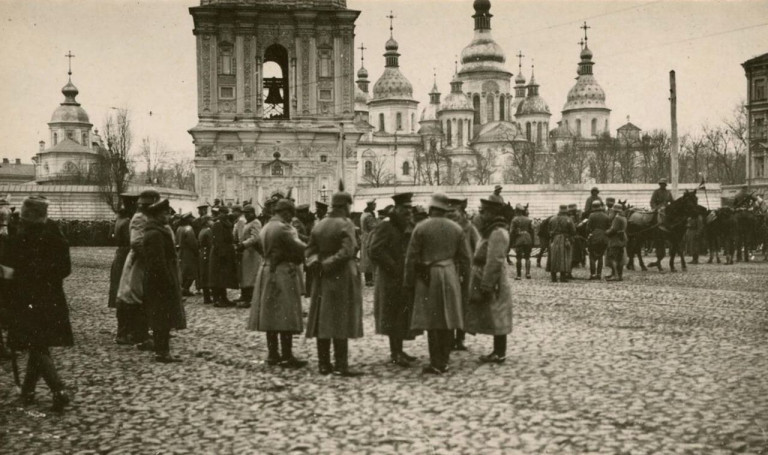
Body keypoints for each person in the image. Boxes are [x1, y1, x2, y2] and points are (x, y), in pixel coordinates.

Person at [1, 196, 73, 410]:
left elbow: (11, 272)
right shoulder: (56, 234)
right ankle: (28, 390)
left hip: (26, 300)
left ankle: (59, 390)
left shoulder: (21, 238)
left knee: (37, 344)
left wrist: (12, 274)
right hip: (52, 299)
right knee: (38, 344)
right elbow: (65, 269)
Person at [404, 193, 471, 375]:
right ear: (445, 209)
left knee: (432, 320)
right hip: (450, 274)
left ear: (431, 209)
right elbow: (466, 259)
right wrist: (466, 283)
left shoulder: (421, 227)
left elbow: (411, 257)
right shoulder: (456, 228)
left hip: (428, 276)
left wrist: (409, 282)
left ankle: (435, 361)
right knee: (449, 318)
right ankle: (445, 360)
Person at [305, 184, 364, 377]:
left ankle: (323, 364)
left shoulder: (319, 224)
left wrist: (317, 264)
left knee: (323, 319)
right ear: (345, 205)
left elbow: (309, 251)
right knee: (340, 319)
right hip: (341, 276)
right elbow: (348, 251)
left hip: (321, 279)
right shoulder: (346, 223)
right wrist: (328, 264)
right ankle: (341, 365)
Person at [248, 199, 307, 368]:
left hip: (266, 270)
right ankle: (287, 356)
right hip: (282, 273)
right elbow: (299, 248)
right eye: (291, 213)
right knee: (286, 313)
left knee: (270, 314)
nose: (291, 217)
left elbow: (258, 246)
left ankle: (273, 354)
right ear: (286, 212)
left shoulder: (266, 226)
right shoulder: (284, 228)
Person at [369, 193, 419, 367]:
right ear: (396, 208)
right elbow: (374, 250)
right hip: (390, 278)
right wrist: (394, 266)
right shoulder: (386, 226)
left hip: (403, 277)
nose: (408, 211)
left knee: (402, 314)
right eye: (405, 208)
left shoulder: (407, 224)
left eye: (409, 208)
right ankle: (395, 352)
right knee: (392, 314)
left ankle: (399, 350)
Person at [464, 198, 513, 364]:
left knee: (498, 313)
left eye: (483, 211)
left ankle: (499, 352)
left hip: (495, 278)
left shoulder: (497, 232)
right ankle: (498, 351)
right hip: (490, 275)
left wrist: (487, 284)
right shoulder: (491, 230)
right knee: (495, 313)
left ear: (492, 212)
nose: (481, 214)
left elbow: (495, 260)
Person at [142, 199, 186, 363]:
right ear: (158, 215)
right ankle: (162, 352)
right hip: (160, 281)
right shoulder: (155, 234)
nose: (168, 216)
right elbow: (158, 262)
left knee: (162, 316)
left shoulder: (156, 231)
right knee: (162, 317)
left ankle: (162, 350)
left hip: (159, 280)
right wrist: (168, 281)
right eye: (165, 213)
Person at [117, 189, 160, 351]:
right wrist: (150, 258)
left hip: (143, 262)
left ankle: (138, 332)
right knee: (133, 296)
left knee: (140, 296)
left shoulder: (145, 217)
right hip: (138, 263)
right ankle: (130, 333)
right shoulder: (139, 218)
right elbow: (136, 242)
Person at [446, 198, 480, 351]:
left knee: (463, 304)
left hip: (465, 270)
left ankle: (460, 338)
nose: (451, 214)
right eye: (449, 211)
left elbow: (478, 246)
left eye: (454, 211)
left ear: (461, 212)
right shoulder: (444, 226)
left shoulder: (469, 227)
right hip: (447, 269)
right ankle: (447, 338)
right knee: (447, 304)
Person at [109, 193, 139, 344]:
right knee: (127, 293)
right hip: (126, 256)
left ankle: (125, 330)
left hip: (119, 256)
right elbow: (132, 242)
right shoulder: (127, 221)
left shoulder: (119, 219)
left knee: (121, 293)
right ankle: (125, 331)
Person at [209, 206, 238, 307]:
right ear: (219, 213)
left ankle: (224, 297)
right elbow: (218, 241)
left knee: (223, 277)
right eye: (223, 213)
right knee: (217, 277)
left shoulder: (227, 224)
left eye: (226, 213)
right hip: (219, 254)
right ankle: (217, 299)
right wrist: (222, 255)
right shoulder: (218, 224)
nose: (225, 215)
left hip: (226, 253)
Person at [236, 205, 262, 308]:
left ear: (252, 213)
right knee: (245, 275)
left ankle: (249, 298)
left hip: (253, 252)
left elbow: (255, 237)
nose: (246, 215)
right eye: (245, 213)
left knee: (251, 276)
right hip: (246, 253)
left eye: (248, 213)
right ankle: (244, 295)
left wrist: (244, 244)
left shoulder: (256, 222)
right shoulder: (248, 222)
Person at [549, 204, 576, 283]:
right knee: (564, 257)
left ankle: (553, 276)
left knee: (554, 257)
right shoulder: (569, 219)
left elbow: (549, 229)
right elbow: (573, 231)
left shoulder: (552, 219)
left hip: (554, 239)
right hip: (565, 239)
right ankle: (562, 276)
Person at [175, 213, 199, 297]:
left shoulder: (179, 228)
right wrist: (196, 251)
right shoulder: (189, 229)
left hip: (180, 252)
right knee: (191, 272)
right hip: (189, 253)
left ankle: (183, 288)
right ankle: (185, 289)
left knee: (183, 271)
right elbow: (192, 242)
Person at [509, 203, 534, 280]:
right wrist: (531, 241)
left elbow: (512, 231)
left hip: (519, 239)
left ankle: (519, 275)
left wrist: (512, 240)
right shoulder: (528, 219)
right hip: (528, 238)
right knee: (527, 257)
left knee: (518, 258)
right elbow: (531, 231)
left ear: (516, 211)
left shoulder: (514, 220)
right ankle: (528, 273)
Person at [586, 200, 610, 280]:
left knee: (592, 256)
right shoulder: (606, 216)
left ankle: (593, 274)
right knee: (600, 256)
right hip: (604, 237)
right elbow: (608, 227)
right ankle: (599, 274)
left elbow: (588, 227)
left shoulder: (591, 215)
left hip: (594, 236)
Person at [606, 203, 628, 282]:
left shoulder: (617, 218)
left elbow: (613, 229)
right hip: (622, 239)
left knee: (613, 258)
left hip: (615, 239)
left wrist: (606, 232)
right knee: (620, 258)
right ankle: (620, 275)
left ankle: (615, 275)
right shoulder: (624, 217)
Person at [359, 199, 378, 287]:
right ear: (370, 205)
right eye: (374, 204)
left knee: (366, 260)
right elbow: (373, 227)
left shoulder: (363, 214)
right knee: (369, 260)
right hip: (370, 238)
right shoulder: (369, 215)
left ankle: (368, 279)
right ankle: (370, 280)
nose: (375, 206)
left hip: (364, 238)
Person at [232, 205, 247, 303]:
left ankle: (244, 295)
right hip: (240, 247)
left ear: (238, 212)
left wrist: (238, 246)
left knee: (243, 273)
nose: (232, 213)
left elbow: (241, 236)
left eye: (234, 211)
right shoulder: (239, 220)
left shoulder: (241, 221)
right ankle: (244, 294)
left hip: (241, 249)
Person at [197, 216, 214, 304]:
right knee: (208, 274)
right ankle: (208, 297)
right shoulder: (208, 231)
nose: (212, 222)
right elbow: (211, 244)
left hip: (202, 253)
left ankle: (206, 297)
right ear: (207, 222)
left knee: (204, 275)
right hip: (207, 254)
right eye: (210, 220)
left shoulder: (201, 230)